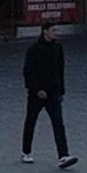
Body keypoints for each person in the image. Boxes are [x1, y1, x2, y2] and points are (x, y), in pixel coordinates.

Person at [18, 29, 69, 159]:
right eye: (53, 30)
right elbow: (28, 71)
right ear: (45, 32)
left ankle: (63, 155)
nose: (56, 33)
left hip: (53, 92)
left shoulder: (58, 48)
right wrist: (36, 89)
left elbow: (60, 70)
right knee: (31, 121)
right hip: (37, 94)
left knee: (58, 123)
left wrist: (61, 90)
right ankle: (26, 151)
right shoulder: (34, 49)